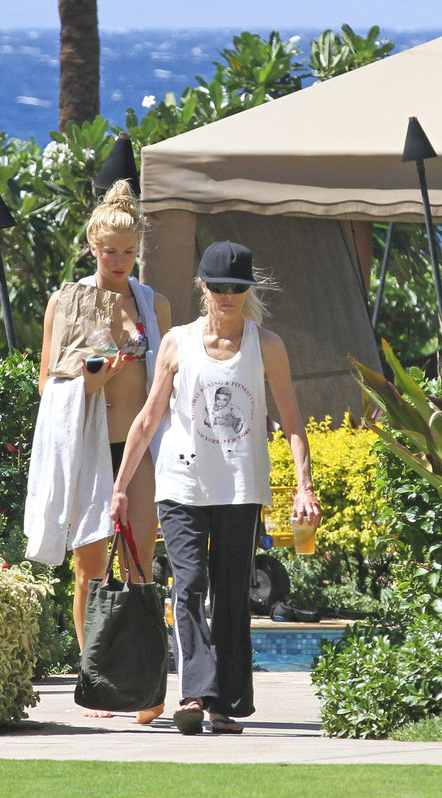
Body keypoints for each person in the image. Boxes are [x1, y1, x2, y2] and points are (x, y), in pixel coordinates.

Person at [109, 240, 320, 735]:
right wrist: (120, 487)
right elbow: (148, 419)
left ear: (247, 291)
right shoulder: (178, 343)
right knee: (189, 585)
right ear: (203, 287)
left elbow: (291, 419)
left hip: (241, 488)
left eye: (236, 289)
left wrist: (304, 486)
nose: (227, 296)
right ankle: (193, 694)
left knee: (229, 594)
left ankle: (225, 704)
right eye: (218, 287)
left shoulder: (266, 344)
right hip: (182, 483)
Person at [28, 179, 171, 722]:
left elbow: (169, 373)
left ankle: (145, 686)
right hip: (88, 444)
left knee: (140, 563)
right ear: (92, 245)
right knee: (90, 567)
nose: (118, 261)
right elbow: (46, 383)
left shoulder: (154, 304)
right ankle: (97, 681)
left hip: (137, 449)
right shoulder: (66, 301)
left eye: (129, 252)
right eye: (109, 251)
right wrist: (89, 383)